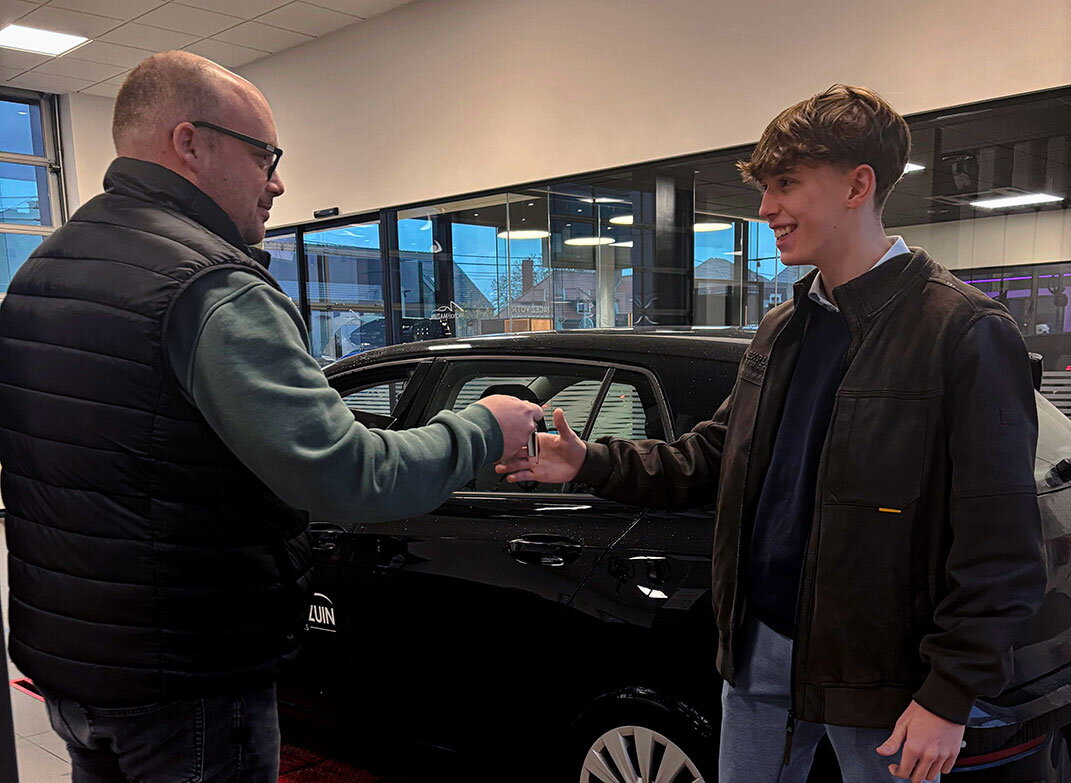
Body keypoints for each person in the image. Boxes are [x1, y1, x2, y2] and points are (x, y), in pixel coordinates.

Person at [0, 51, 542, 782]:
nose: (277, 182)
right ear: (189, 143)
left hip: (73, 664)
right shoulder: (210, 287)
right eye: (265, 156)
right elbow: (346, 473)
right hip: (185, 680)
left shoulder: (42, 271)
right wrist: (484, 425)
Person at [499, 84, 1046, 783]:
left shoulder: (962, 332)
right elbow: (708, 457)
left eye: (785, 184)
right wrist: (588, 461)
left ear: (858, 184)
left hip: (882, 676)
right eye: (764, 187)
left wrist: (947, 693)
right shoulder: (782, 328)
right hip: (759, 653)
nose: (765, 209)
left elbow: (999, 541)